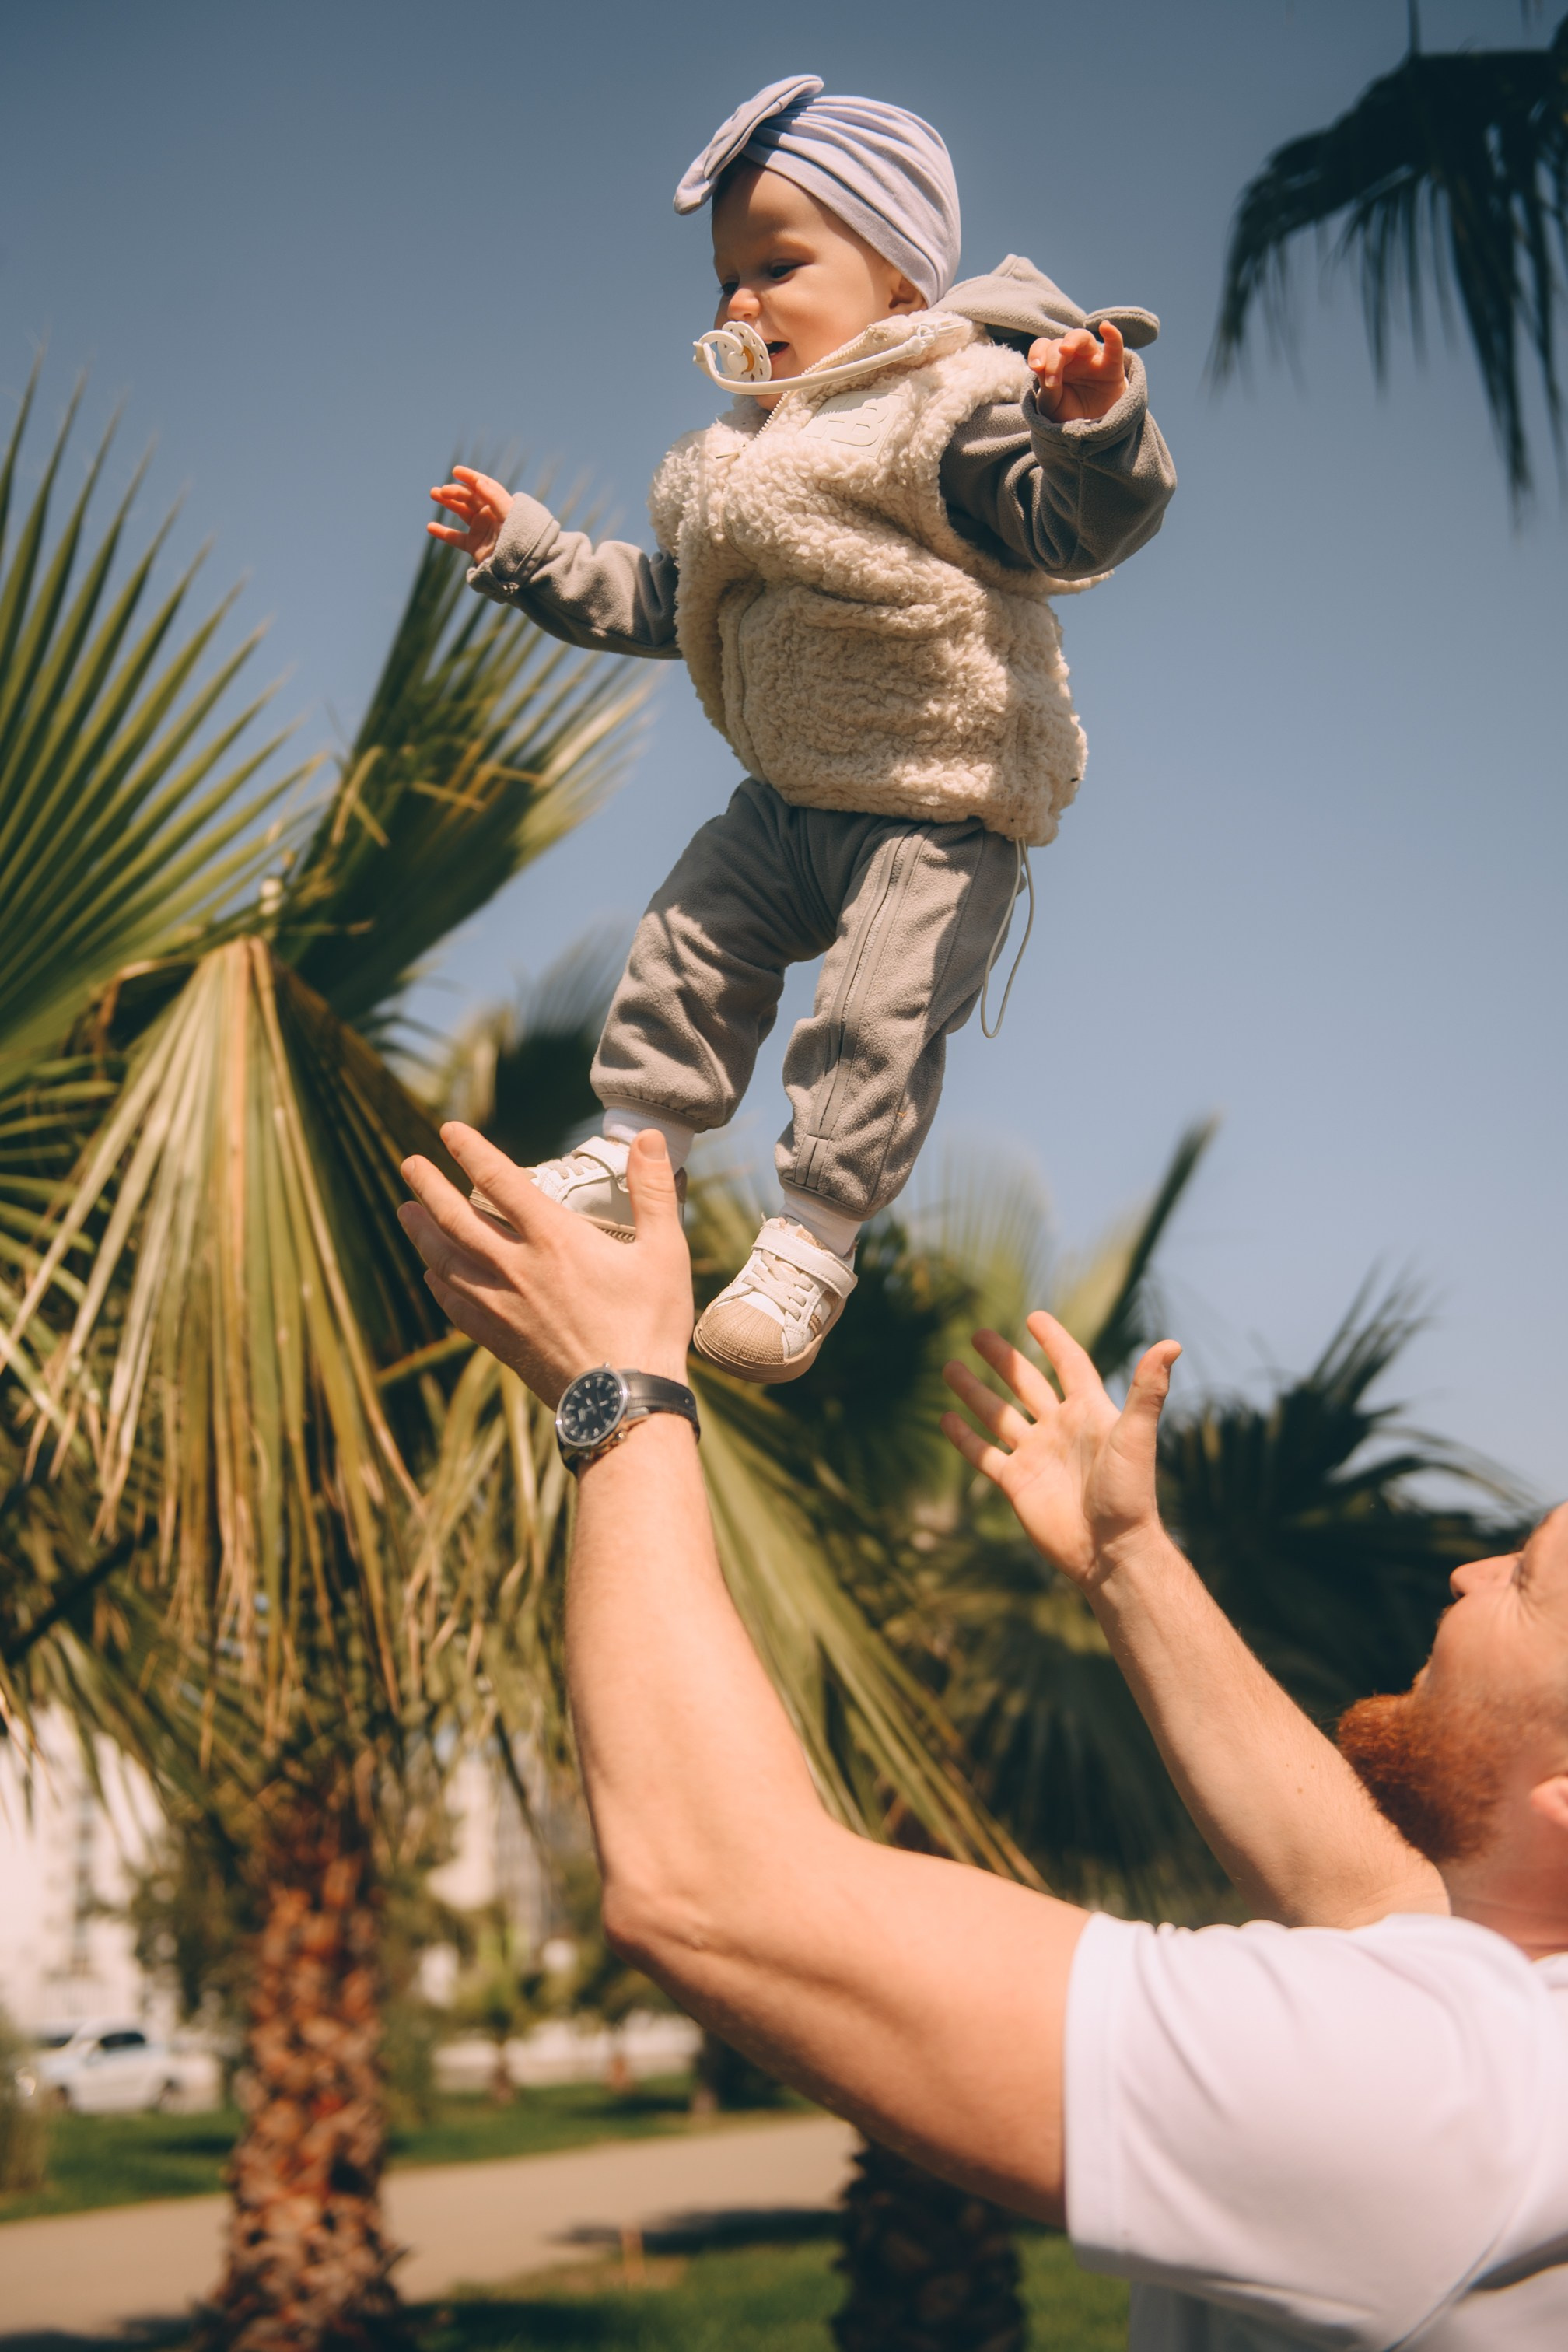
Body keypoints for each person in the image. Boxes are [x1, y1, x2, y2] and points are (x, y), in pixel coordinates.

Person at [399, 1122, 1568, 2350]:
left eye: (1529, 1587)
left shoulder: (1451, 2101)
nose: (1471, 1573)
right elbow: (1366, 1894)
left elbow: (711, 1892)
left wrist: (619, 1386)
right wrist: (1127, 1563)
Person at [425, 74, 1174, 1384]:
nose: (740, 302)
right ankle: (632, 1151)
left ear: (899, 284)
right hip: (789, 799)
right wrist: (530, 552)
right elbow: (671, 600)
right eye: (726, 276)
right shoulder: (734, 459)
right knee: (689, 934)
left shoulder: (951, 408)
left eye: (778, 266)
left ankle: (812, 1242)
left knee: (874, 1019)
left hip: (936, 802)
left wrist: (1090, 433)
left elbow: (1069, 527)